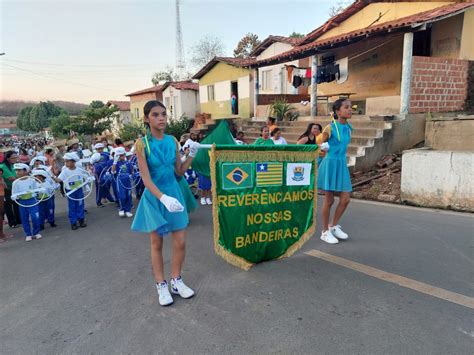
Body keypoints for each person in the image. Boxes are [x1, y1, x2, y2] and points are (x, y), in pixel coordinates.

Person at [131, 100, 198, 306]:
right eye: (155, 115)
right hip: (155, 197)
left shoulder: (172, 141)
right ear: (146, 118)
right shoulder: (142, 144)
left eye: (164, 114)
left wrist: (192, 156)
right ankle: (161, 284)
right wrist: (163, 198)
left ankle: (176, 280)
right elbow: (146, 179)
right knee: (157, 243)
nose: (161, 118)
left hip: (174, 194)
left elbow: (178, 171)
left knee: (180, 241)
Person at [318, 99, 353, 245]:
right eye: (346, 107)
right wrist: (323, 147)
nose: (350, 109)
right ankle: (324, 232)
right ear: (338, 111)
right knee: (329, 200)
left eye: (351, 107)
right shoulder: (330, 128)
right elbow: (320, 144)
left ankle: (333, 226)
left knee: (345, 199)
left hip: (341, 164)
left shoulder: (350, 127)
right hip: (330, 164)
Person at [53, 153, 88, 230]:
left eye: (67, 162)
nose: (66, 163)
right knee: (72, 206)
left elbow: (86, 177)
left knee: (80, 205)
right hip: (70, 192)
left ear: (73, 162)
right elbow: (60, 180)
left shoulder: (80, 170)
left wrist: (88, 180)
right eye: (65, 162)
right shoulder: (65, 171)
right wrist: (53, 177)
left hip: (79, 191)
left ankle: (81, 220)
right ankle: (73, 222)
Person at [11, 163, 42, 242]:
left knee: (35, 217)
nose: (17, 172)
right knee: (24, 218)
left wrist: (39, 191)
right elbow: (14, 194)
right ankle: (28, 234)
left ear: (25, 171)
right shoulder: (15, 183)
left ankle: (36, 232)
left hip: (32, 201)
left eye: (19, 170)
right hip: (22, 202)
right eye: (16, 171)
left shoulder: (32, 180)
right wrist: (15, 197)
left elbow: (36, 190)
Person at [1, 151, 22, 228]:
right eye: (13, 158)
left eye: (16, 157)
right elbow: (11, 178)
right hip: (6, 189)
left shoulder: (13, 165)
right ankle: (12, 222)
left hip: (14, 187)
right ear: (7, 158)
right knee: (8, 206)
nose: (15, 159)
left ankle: (19, 220)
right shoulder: (3, 166)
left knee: (17, 203)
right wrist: (23, 178)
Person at [111, 147, 134, 218]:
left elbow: (132, 171)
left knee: (128, 195)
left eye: (122, 155)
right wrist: (115, 162)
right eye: (119, 155)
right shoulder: (116, 163)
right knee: (122, 196)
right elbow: (113, 171)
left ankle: (128, 210)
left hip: (127, 182)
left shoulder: (128, 162)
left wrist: (131, 174)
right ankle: (122, 209)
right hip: (120, 182)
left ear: (124, 154)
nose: (121, 156)